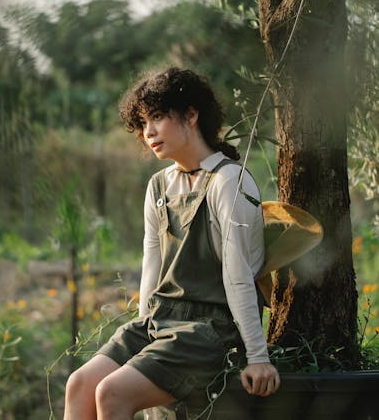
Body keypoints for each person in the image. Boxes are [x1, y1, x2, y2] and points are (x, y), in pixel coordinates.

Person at [63, 67, 280, 420]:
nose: (148, 132)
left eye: (158, 118)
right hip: (160, 321)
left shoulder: (229, 181)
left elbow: (239, 274)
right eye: (143, 123)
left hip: (211, 330)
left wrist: (257, 357)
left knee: (112, 393)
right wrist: (143, 334)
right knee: (80, 384)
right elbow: (152, 266)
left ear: (191, 115)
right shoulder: (159, 185)